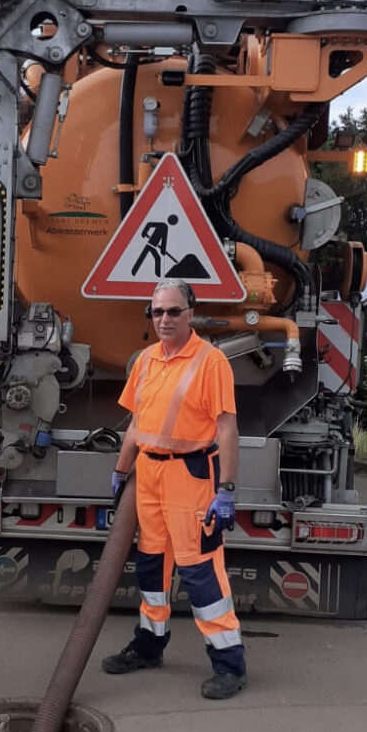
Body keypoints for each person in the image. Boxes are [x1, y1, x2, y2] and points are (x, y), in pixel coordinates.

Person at [101, 278, 247, 700]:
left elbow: (227, 428)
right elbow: (136, 424)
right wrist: (121, 469)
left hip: (191, 476)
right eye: (158, 311)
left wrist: (227, 490)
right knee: (151, 566)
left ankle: (229, 665)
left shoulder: (211, 361)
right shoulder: (146, 360)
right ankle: (149, 646)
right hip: (148, 475)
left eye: (173, 311)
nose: (164, 319)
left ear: (191, 314)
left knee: (200, 570)